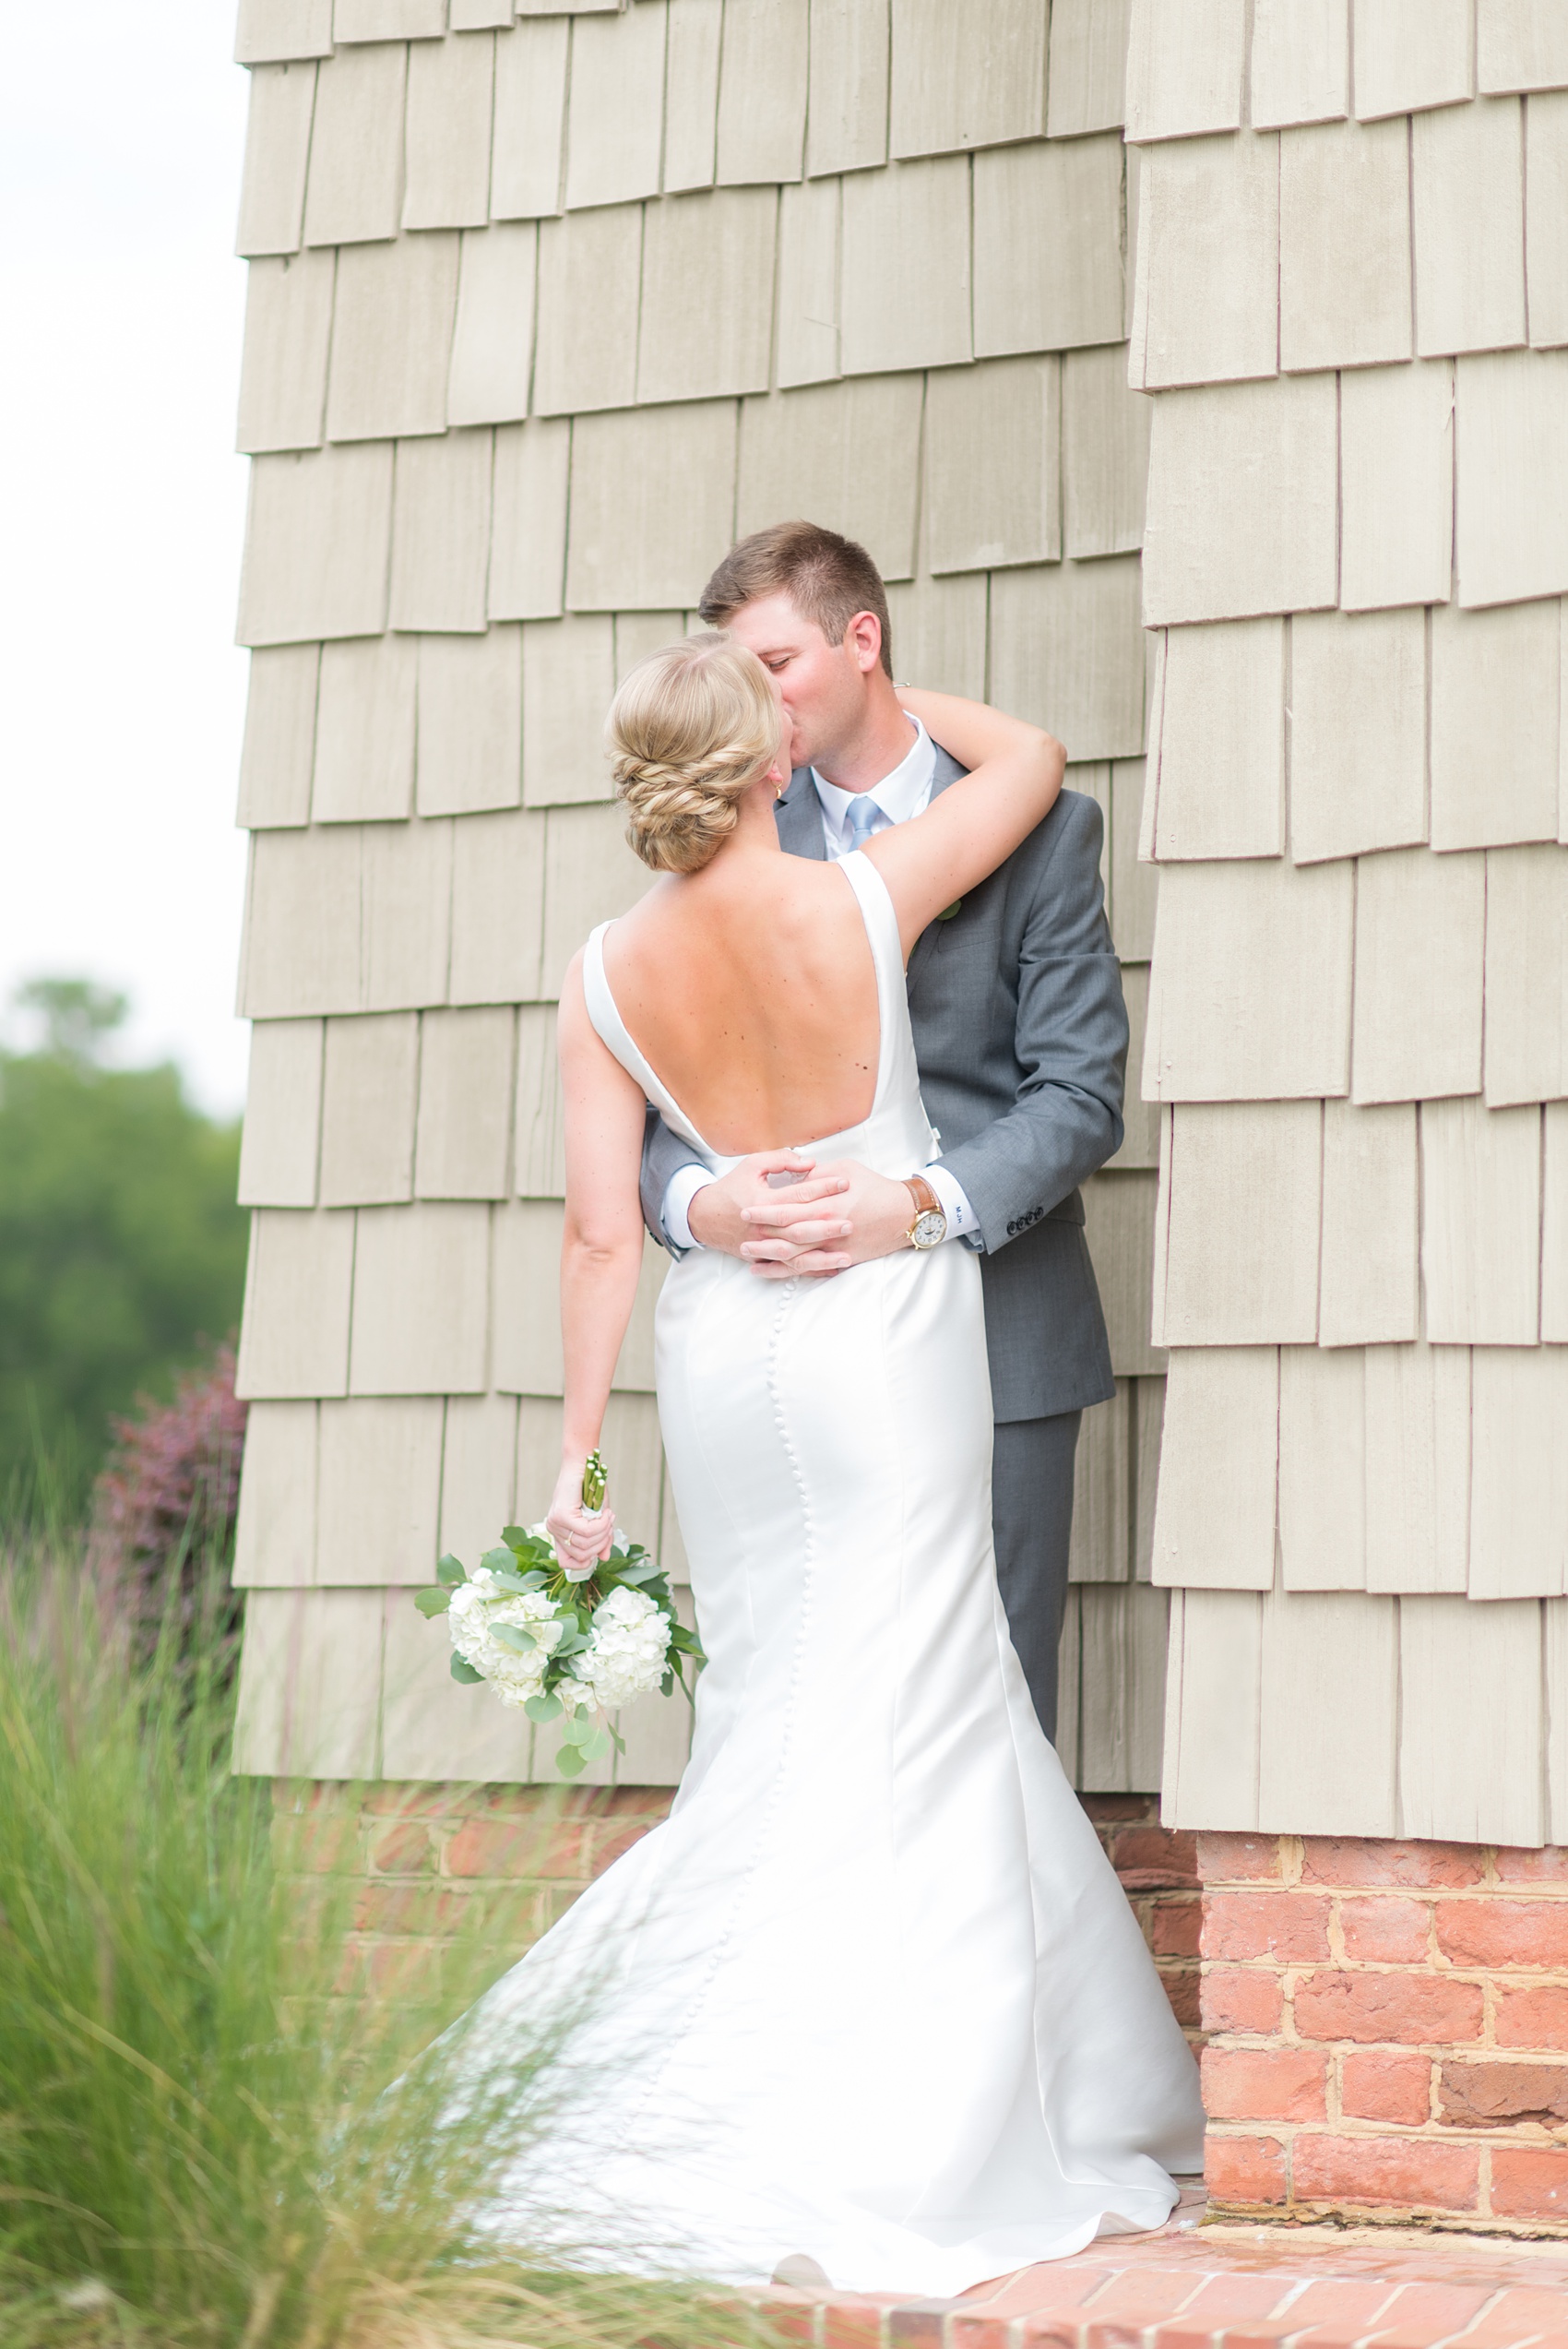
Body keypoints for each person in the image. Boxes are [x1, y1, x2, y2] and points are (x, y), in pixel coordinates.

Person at [457, 630, 1203, 2294]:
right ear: (766, 766)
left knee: (778, 1710)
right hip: (880, 1334)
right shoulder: (865, 898)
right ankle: (916, 2104)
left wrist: (577, 1467)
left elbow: (600, 1237)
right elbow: (1034, 752)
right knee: (929, 1695)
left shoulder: (599, 973)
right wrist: (866, 685)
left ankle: (696, 2065)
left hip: (724, 1345)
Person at [640, 522, 1127, 1747]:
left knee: (992, 1716)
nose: (756, 701)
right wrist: (706, 1208)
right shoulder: (730, 835)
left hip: (998, 1335)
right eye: (733, 672)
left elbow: (1077, 1094)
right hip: (797, 1358)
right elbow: (658, 1110)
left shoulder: (1039, 828)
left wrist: (911, 1206)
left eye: (778, 662)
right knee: (809, 1710)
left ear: (864, 639)